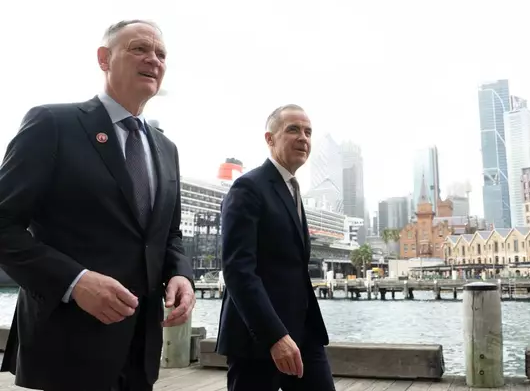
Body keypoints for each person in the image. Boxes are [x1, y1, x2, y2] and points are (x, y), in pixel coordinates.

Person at [0, 20, 195, 391]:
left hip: (140, 350)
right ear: (104, 58)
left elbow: (168, 235)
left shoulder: (167, 150)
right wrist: (74, 282)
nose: (153, 59)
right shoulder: (53, 123)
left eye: (161, 54)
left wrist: (182, 274)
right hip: (67, 346)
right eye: (139, 48)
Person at [216, 105, 335, 391]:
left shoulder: (291, 189)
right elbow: (238, 270)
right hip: (258, 337)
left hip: (304, 333)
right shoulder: (248, 187)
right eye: (293, 129)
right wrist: (274, 336)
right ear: (270, 139)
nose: (303, 138)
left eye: (308, 132)